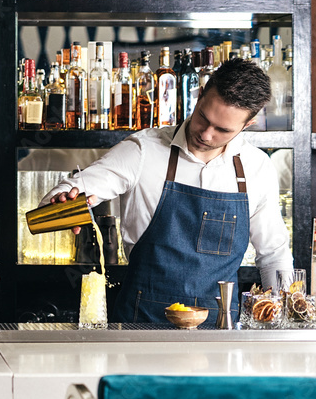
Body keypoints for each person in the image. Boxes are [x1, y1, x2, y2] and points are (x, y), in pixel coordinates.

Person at [42, 57, 292, 323]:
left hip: (220, 334)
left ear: (248, 124)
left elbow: (273, 254)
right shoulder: (143, 151)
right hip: (141, 326)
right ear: (200, 95)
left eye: (222, 130)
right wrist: (62, 201)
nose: (206, 134)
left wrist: (283, 320)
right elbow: (72, 188)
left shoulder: (256, 168)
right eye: (203, 118)